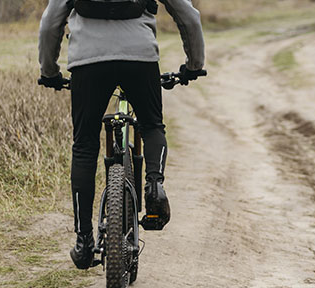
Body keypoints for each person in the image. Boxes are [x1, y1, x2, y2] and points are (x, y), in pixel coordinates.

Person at [37, 0, 205, 269]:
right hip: (139, 59)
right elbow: (189, 16)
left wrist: (50, 72)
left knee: (84, 145)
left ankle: (84, 241)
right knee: (151, 126)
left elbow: (50, 23)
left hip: (87, 62)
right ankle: (154, 186)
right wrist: (194, 65)